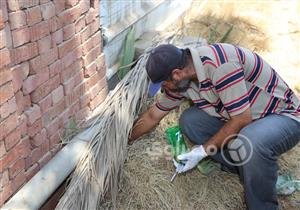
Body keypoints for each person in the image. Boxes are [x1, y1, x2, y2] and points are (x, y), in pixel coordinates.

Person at [128, 43, 300, 210]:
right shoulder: (183, 81)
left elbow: (241, 118)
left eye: (164, 84)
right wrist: (126, 141)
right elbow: (153, 115)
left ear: (177, 73)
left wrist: (202, 151)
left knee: (252, 141)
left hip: (282, 116)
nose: (163, 89)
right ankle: (250, 169)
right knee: (190, 121)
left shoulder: (220, 65)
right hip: (246, 119)